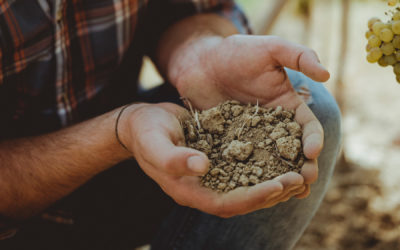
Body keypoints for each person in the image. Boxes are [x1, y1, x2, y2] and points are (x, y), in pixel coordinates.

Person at [0, 0, 341, 249]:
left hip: (129, 162)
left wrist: (197, 54)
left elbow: (183, 11)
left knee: (310, 106)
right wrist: (117, 133)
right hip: (17, 215)